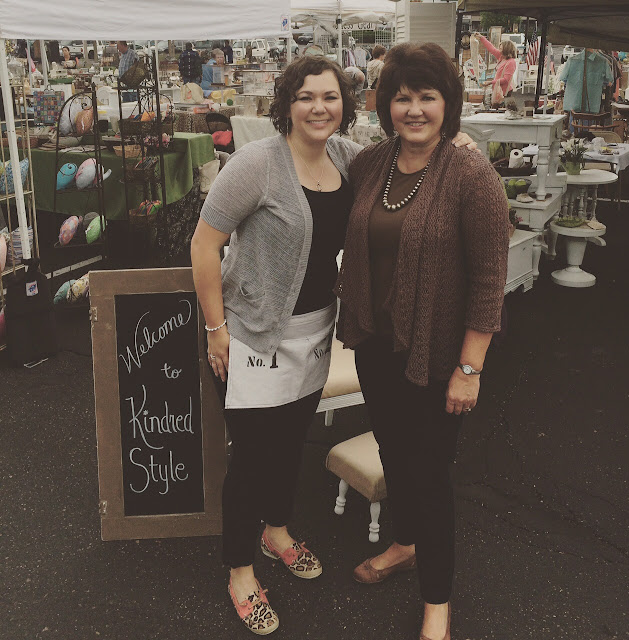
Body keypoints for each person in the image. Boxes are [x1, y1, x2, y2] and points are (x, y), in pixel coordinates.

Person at [191, 51, 476, 638]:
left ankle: (277, 531)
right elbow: (203, 245)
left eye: (330, 96)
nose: (319, 107)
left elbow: (411, 150)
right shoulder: (256, 164)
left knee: (292, 441)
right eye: (306, 96)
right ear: (286, 104)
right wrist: (217, 330)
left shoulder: (351, 158)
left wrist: (460, 143)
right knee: (251, 456)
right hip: (254, 334)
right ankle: (240, 571)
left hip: (316, 331)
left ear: (346, 105)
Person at [335, 43, 509, 640]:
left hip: (438, 360)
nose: (413, 109)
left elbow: (490, 279)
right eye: (401, 97)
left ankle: (438, 599)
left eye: (426, 97)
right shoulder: (370, 164)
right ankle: (404, 544)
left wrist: (471, 367)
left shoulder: (472, 176)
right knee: (392, 453)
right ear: (385, 105)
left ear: (447, 104)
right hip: (376, 347)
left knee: (429, 475)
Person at [473, 33, 517, 106]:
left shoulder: (511, 62)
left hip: (504, 91)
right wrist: (481, 38)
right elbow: (491, 48)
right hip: (498, 89)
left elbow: (506, 80)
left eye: (500, 48)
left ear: (506, 49)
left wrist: (491, 82)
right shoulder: (501, 57)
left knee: (500, 108)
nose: (498, 49)